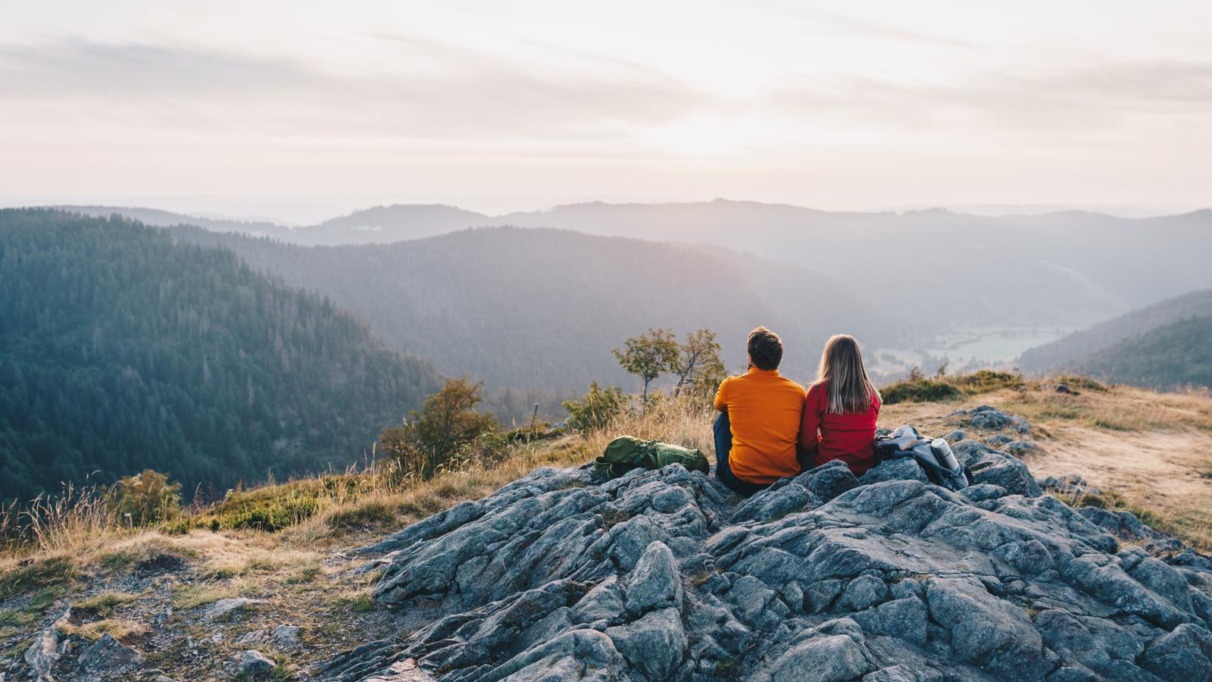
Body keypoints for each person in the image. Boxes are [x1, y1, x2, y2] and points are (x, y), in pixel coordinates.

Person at [713, 327, 806, 495]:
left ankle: (721, 474)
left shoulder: (731, 386)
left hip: (741, 481)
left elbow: (719, 406)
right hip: (785, 480)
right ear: (779, 358)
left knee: (723, 420)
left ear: (750, 357)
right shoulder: (797, 392)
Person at [800, 334, 881, 476]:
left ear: (829, 358)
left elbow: (807, 442)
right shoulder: (873, 394)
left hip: (828, 467)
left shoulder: (818, 391)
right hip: (865, 468)